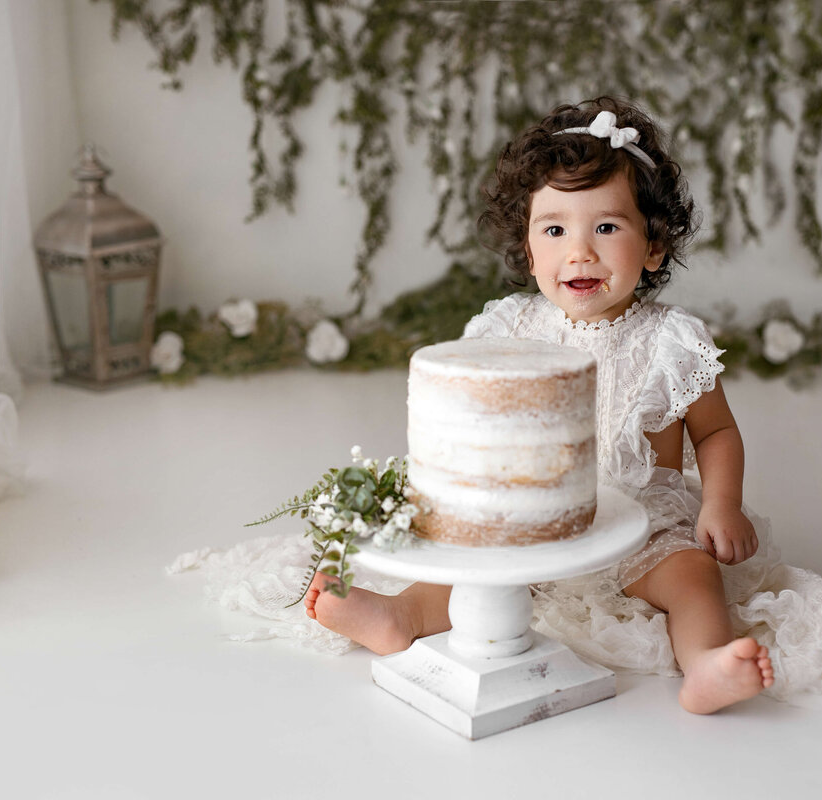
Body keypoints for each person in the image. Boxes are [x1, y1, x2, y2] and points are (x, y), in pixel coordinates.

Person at [305, 96, 774, 714]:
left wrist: (722, 504)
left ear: (654, 247)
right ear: (530, 252)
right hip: (536, 511)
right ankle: (398, 616)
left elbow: (715, 434)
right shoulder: (510, 326)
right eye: (555, 230)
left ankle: (708, 662)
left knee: (693, 580)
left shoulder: (670, 341)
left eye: (606, 227)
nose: (579, 251)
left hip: (641, 522)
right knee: (473, 572)